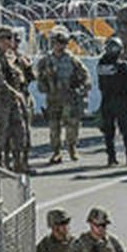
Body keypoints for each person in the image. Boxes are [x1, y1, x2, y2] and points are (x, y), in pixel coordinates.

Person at [0, 25, 34, 174]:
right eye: (5, 39)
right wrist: (16, 93)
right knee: (0, 133)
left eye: (10, 38)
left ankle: (20, 164)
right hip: (1, 102)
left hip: (14, 101)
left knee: (20, 132)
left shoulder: (13, 56)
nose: (8, 41)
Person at [37, 27, 90, 164]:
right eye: (56, 42)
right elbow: (40, 80)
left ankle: (72, 148)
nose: (59, 45)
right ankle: (56, 152)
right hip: (53, 98)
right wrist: (45, 85)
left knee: (72, 126)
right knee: (54, 127)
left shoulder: (72, 59)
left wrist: (82, 88)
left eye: (62, 43)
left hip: (69, 97)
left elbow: (85, 76)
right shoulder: (45, 61)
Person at [96, 37, 127, 166]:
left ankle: (111, 157)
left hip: (106, 101)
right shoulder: (123, 65)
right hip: (121, 101)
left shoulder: (101, 64)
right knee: (126, 130)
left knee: (109, 131)